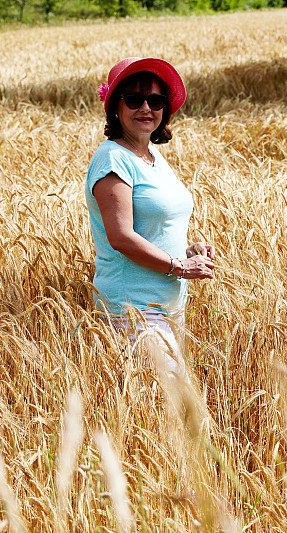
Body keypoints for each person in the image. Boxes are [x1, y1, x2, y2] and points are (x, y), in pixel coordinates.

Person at [85, 57, 215, 377]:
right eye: (134, 99)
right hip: (134, 310)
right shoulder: (113, 160)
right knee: (167, 409)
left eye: (155, 100)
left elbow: (153, 227)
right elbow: (121, 236)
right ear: (115, 106)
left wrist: (187, 250)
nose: (146, 107)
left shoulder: (152, 155)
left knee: (157, 416)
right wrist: (181, 267)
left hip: (166, 306)